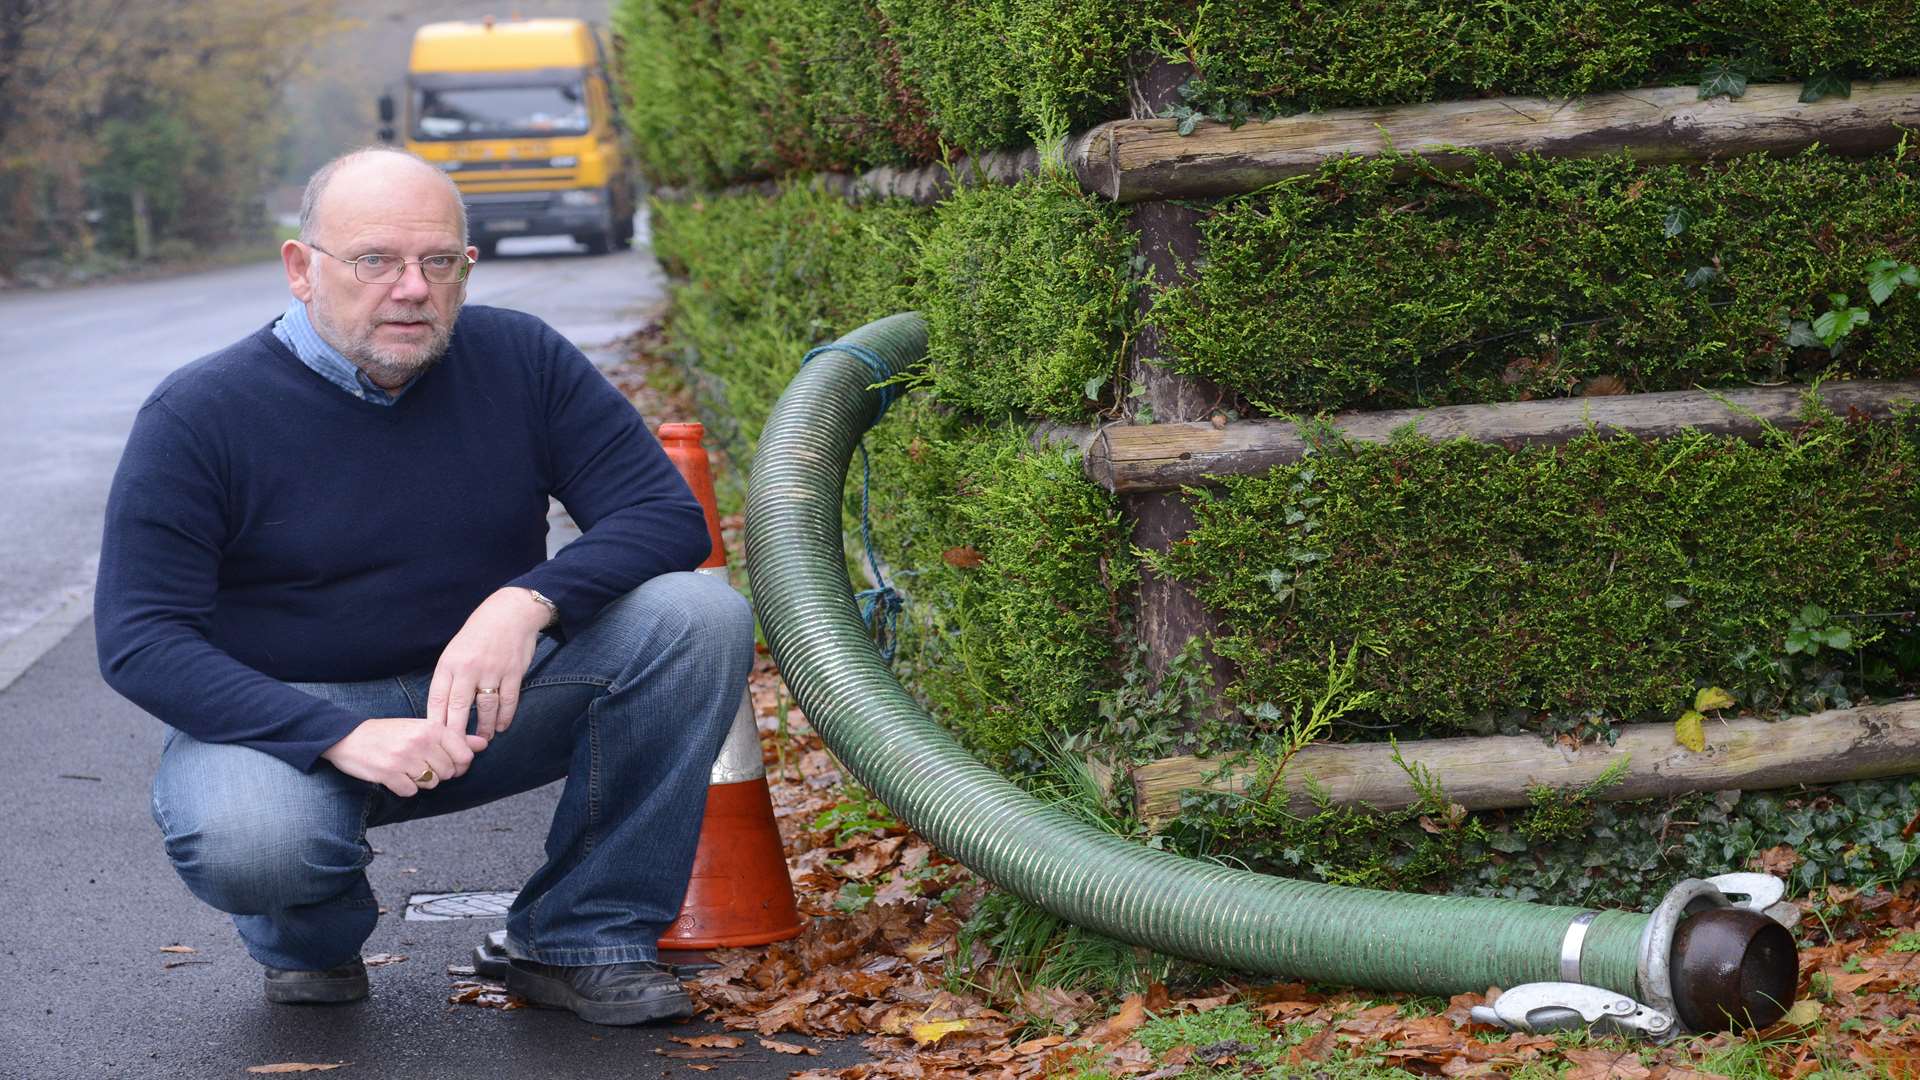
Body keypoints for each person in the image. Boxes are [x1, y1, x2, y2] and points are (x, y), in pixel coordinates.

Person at [94, 146, 755, 1026]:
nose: (412, 288)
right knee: (252, 841)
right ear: (302, 269)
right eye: (375, 261)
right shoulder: (200, 414)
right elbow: (141, 641)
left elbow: (665, 518)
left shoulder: (519, 359)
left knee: (698, 613)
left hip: (488, 700)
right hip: (286, 718)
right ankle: (314, 943)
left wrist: (528, 601)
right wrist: (337, 734)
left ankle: (576, 938)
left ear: (466, 267)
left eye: (438, 262)